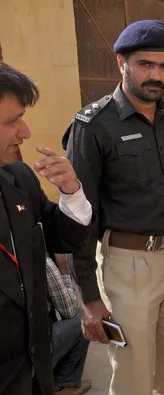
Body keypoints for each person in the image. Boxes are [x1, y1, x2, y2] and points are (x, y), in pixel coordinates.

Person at [63, 20, 164, 395]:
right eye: (145, 64)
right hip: (127, 266)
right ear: (122, 62)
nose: (156, 75)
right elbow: (80, 214)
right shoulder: (93, 126)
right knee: (134, 373)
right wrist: (88, 296)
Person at [0, 62, 93, 395]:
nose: (24, 131)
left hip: (31, 371)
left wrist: (72, 192)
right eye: (12, 121)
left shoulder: (19, 177)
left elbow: (62, 235)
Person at [47, 254, 91, 395]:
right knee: (86, 317)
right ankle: (64, 383)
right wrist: (63, 268)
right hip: (31, 354)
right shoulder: (41, 261)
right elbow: (69, 310)